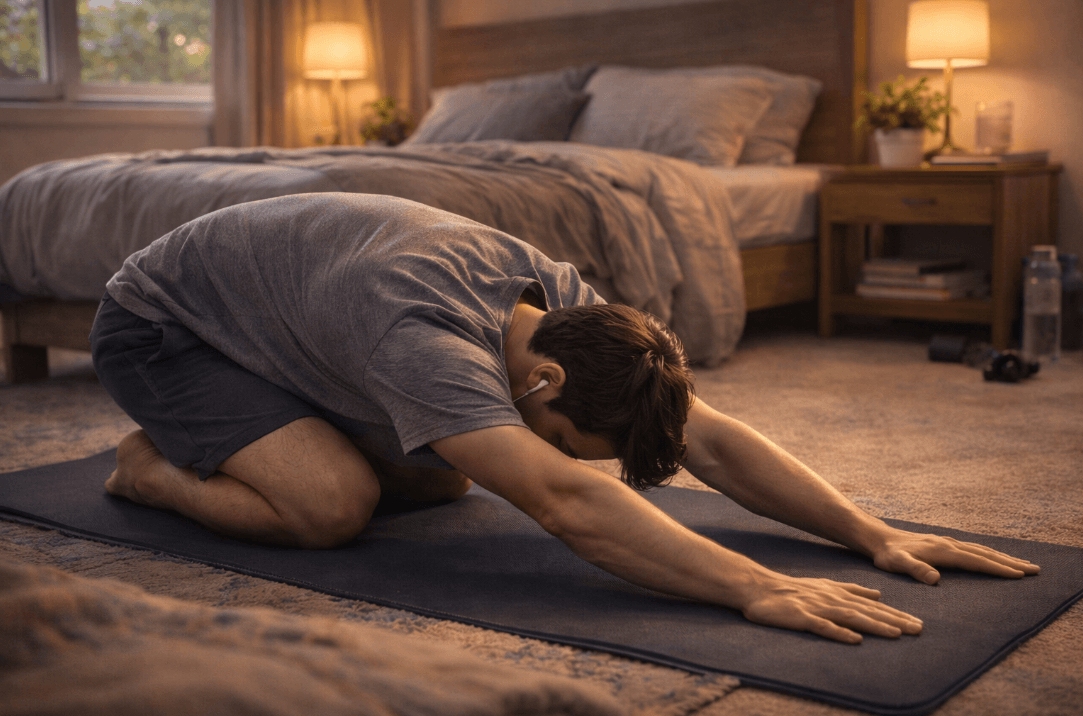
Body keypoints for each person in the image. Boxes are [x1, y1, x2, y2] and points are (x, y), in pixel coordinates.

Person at [91, 193, 1038, 645]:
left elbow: (705, 432)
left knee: (450, 469)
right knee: (332, 508)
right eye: (571, 441)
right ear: (540, 384)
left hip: (291, 319)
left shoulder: (570, 310)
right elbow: (561, 504)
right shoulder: (418, 337)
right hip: (166, 329)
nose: (581, 465)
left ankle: (266, 433)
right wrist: (752, 584)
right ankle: (149, 467)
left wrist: (868, 533)